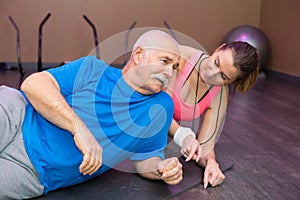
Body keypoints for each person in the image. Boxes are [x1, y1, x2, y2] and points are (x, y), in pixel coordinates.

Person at [0, 30, 183, 199]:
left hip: (35, 171)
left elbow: (146, 157)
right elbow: (33, 84)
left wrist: (161, 168)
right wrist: (78, 129)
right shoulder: (93, 69)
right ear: (138, 55)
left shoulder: (161, 107)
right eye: (164, 61)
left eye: (175, 67)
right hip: (18, 115)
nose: (169, 72)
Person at [167, 41, 259, 189]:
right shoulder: (178, 57)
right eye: (216, 62)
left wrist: (212, 163)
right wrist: (183, 136)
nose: (211, 73)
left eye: (223, 76)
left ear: (231, 82)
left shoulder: (219, 94)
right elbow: (150, 108)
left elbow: (205, 146)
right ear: (219, 47)